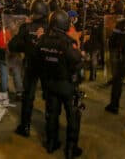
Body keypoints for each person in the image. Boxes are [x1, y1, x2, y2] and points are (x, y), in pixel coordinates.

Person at [35, 10, 83, 158]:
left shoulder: (42, 40)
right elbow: (77, 63)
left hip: (49, 83)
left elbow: (38, 60)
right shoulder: (67, 43)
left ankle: (51, 143)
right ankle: (70, 148)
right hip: (67, 85)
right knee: (73, 116)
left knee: (52, 114)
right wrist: (80, 49)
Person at [9, 0, 49, 137]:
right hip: (47, 66)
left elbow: (13, 45)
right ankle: (50, 127)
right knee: (49, 97)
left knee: (28, 96)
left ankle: (25, 126)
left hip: (31, 65)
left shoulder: (26, 27)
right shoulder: (50, 28)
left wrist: (23, 31)